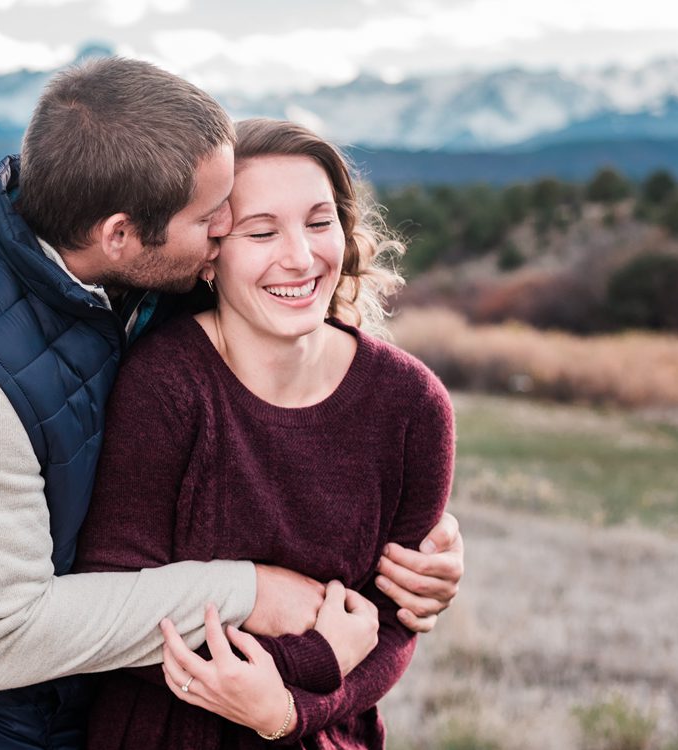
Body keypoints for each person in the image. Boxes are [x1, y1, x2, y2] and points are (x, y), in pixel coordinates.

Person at [0, 59, 464, 749]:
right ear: (121, 233)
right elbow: (3, 636)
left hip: (107, 704)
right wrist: (261, 601)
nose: (225, 233)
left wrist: (425, 550)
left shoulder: (129, 270)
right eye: (217, 223)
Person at [73, 117, 455, 747]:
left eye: (318, 221)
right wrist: (309, 663)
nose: (301, 257)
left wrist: (289, 712)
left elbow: (395, 619)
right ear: (209, 256)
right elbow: (117, 608)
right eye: (261, 231)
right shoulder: (164, 386)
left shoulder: (411, 404)